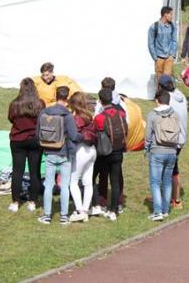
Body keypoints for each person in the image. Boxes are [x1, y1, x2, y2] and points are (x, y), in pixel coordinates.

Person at [38, 87, 82, 225]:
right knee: (64, 185)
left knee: (49, 185)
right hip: (65, 154)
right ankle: (64, 216)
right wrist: (83, 136)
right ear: (67, 98)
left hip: (49, 152)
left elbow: (37, 133)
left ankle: (47, 215)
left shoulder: (44, 112)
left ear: (55, 96)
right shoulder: (67, 115)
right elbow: (74, 136)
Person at [7, 78, 44, 214]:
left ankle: (15, 202)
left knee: (18, 171)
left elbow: (11, 118)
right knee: (35, 171)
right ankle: (33, 202)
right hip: (35, 140)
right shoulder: (40, 104)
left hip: (18, 140)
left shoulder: (14, 104)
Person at [92, 81, 127, 220]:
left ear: (100, 101)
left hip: (104, 152)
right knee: (115, 180)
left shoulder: (99, 117)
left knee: (97, 177)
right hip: (118, 150)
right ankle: (114, 209)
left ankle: (99, 203)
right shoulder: (121, 114)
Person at [144, 89, 180, 221]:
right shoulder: (175, 114)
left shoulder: (153, 114)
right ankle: (165, 210)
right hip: (172, 152)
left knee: (155, 182)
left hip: (157, 151)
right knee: (167, 182)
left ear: (157, 100)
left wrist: (146, 147)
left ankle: (157, 211)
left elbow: (148, 135)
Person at [158, 74, 188, 211]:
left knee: (171, 169)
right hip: (181, 137)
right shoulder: (180, 95)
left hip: (172, 139)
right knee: (169, 168)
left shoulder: (168, 101)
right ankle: (165, 196)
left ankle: (175, 200)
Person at [67, 92, 97, 223]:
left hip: (81, 151)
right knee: (88, 182)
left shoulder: (77, 118)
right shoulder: (89, 116)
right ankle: (85, 210)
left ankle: (79, 210)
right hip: (92, 151)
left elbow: (73, 134)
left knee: (72, 182)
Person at [147, 6, 177, 82]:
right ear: (165, 15)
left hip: (169, 58)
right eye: (171, 14)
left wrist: (172, 55)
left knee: (167, 81)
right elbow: (150, 44)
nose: (172, 16)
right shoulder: (154, 27)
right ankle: (159, 93)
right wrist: (155, 58)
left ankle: (166, 93)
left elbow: (174, 41)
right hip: (159, 58)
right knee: (159, 81)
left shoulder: (172, 26)